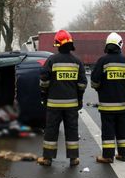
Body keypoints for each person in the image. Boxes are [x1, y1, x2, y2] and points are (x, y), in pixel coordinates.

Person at [37, 30, 87, 167]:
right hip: (71, 104)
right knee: (72, 130)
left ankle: (47, 158)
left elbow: (44, 80)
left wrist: (44, 94)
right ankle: (73, 158)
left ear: (58, 44)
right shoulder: (77, 62)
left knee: (51, 130)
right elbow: (82, 84)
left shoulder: (52, 60)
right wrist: (79, 99)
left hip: (53, 104)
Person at [91, 32, 125, 163]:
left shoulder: (102, 61)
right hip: (120, 104)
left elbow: (94, 81)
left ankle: (108, 156)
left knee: (108, 129)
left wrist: (100, 88)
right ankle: (122, 154)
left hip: (106, 104)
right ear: (120, 45)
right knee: (121, 128)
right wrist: (122, 88)